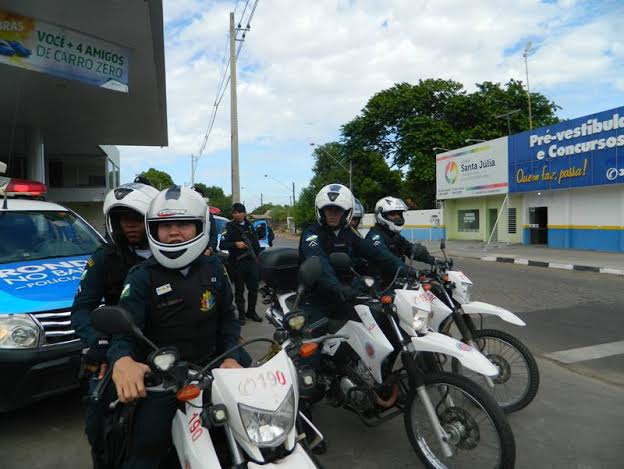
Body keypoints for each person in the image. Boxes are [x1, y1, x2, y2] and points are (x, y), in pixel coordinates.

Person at [106, 186, 241, 469]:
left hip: (215, 369)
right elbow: (125, 328)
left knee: (258, 428)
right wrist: (122, 359)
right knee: (146, 449)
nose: (174, 232)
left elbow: (229, 318)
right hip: (163, 380)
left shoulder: (214, 268)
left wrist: (232, 356)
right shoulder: (142, 276)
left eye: (183, 224)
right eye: (165, 225)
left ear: (200, 226)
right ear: (152, 230)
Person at [71, 181, 159, 467]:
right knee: (98, 423)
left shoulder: (171, 252)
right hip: (117, 349)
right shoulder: (105, 257)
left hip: (165, 345)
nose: (129, 226)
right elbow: (82, 308)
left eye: (135, 218)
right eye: (123, 220)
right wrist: (99, 342)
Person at [299, 184, 414, 322]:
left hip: (347, 294)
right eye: (328, 209)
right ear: (321, 211)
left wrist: (404, 268)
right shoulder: (311, 234)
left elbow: (375, 252)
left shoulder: (347, 233)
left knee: (380, 321)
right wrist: (337, 287)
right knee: (311, 337)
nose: (332, 214)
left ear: (347, 211)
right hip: (317, 297)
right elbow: (319, 260)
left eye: (338, 210)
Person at [219, 203, 263, 325]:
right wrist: (235, 244)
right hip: (237, 262)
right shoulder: (229, 226)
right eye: (234, 212)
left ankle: (251, 312)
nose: (237, 214)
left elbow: (256, 244)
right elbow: (222, 244)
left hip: (251, 262)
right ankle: (242, 315)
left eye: (239, 212)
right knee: (239, 290)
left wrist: (257, 256)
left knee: (254, 289)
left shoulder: (250, 226)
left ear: (244, 213)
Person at [365, 196, 435, 266]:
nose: (397, 217)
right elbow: (388, 260)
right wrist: (408, 271)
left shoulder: (393, 235)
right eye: (392, 214)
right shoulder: (375, 237)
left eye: (399, 214)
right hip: (379, 276)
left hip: (397, 275)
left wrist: (434, 261)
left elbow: (409, 249)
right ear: (381, 216)